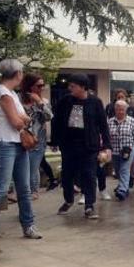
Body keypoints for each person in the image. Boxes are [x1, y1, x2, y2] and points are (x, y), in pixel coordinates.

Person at [0, 59, 42, 244]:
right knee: (1, 188)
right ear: (17, 73)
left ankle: (28, 226)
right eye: (22, 72)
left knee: (24, 188)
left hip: (18, 143)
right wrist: (22, 119)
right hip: (5, 144)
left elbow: (24, 117)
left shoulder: (12, 94)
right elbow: (17, 121)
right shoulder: (2, 92)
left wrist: (22, 119)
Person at [50, 74, 111, 219]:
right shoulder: (65, 101)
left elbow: (103, 125)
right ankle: (69, 199)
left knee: (89, 175)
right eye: (70, 86)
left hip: (89, 145)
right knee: (68, 174)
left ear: (83, 87)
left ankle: (89, 205)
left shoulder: (95, 102)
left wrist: (107, 146)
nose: (70, 88)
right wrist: (54, 141)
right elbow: (56, 121)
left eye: (73, 86)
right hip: (69, 144)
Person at [21, 73, 53, 199]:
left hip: (38, 140)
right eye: (39, 85)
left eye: (43, 86)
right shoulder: (19, 100)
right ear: (30, 86)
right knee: (24, 168)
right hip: (21, 138)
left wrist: (39, 102)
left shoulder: (43, 102)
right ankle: (27, 192)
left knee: (33, 167)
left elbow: (49, 117)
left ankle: (32, 192)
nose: (42, 88)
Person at [108, 100, 134, 201]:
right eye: (118, 109)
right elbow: (107, 136)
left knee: (124, 169)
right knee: (118, 171)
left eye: (122, 110)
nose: (120, 112)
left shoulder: (131, 121)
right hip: (114, 150)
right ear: (115, 110)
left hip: (128, 149)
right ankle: (124, 186)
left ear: (126, 110)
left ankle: (122, 190)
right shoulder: (110, 121)